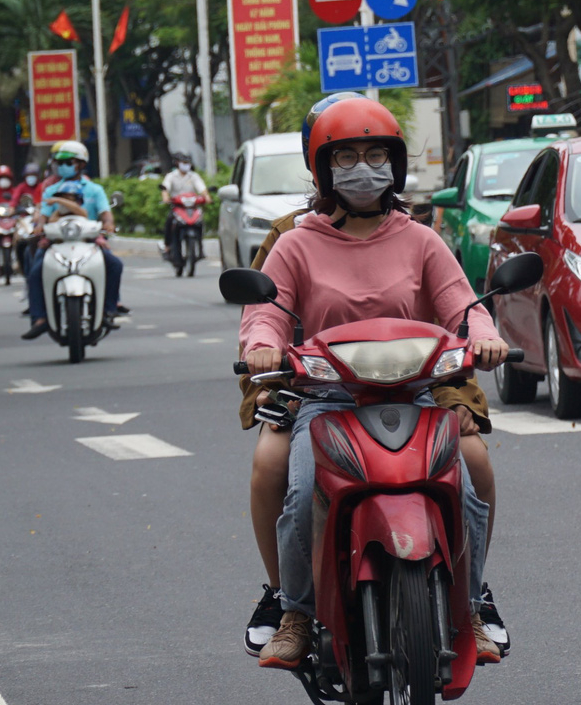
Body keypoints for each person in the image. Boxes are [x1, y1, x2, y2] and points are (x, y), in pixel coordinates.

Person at [241, 96, 507, 671]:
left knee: (473, 471)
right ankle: (294, 612)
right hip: (327, 399)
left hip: (414, 392)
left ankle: (473, 605)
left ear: (396, 165)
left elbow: (464, 306)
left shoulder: (420, 239)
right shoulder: (294, 242)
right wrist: (261, 342)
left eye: (376, 154)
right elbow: (266, 311)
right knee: (296, 487)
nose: (364, 168)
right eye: (348, 157)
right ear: (323, 170)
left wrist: (484, 333)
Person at [21, 142, 129, 339]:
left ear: (80, 164)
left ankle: (108, 309)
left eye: (67, 162)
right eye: (58, 162)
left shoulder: (94, 190)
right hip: (56, 242)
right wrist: (39, 226)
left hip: (89, 240)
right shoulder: (51, 190)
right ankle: (40, 318)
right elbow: (44, 216)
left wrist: (108, 225)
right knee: (36, 271)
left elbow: (106, 215)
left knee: (114, 265)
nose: (61, 166)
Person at [160, 151, 207, 267]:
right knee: (169, 221)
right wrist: (165, 197)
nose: (186, 165)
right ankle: (167, 246)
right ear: (177, 163)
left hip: (192, 207)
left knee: (200, 222)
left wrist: (207, 197)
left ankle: (200, 248)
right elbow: (165, 188)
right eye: (183, 162)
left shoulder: (194, 176)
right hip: (178, 208)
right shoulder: (171, 176)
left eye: (188, 162)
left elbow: (202, 189)